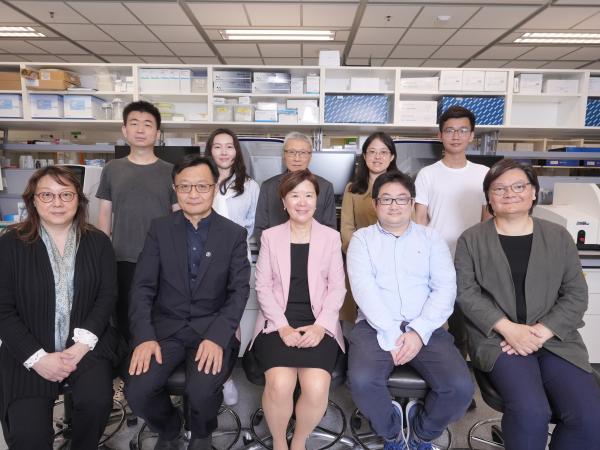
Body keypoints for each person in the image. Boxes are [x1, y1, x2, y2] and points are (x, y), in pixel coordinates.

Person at [455, 159, 600, 450]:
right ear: (489, 198)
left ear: (533, 192)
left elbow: (576, 294)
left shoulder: (558, 236)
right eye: (499, 188)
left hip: (556, 340)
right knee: (532, 412)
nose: (509, 193)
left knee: (589, 418)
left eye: (518, 186)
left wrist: (541, 332)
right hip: (499, 340)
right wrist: (508, 329)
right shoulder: (472, 239)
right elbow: (466, 292)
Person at [125, 155, 250, 450]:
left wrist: (219, 337)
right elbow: (142, 287)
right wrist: (144, 336)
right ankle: (169, 430)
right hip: (165, 328)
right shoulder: (160, 229)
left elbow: (239, 292)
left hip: (211, 328)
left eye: (202, 186)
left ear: (214, 186)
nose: (193, 194)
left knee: (202, 390)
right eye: (185, 187)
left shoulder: (233, 234)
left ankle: (203, 433)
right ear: (175, 188)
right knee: (138, 390)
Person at [347, 171, 474, 450]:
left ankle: (421, 433)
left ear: (412, 202)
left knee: (460, 388)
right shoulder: (362, 240)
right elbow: (364, 290)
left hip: (425, 325)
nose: (394, 205)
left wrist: (418, 331)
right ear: (375, 204)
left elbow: (445, 288)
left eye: (402, 199)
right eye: (387, 199)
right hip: (375, 325)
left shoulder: (431, 238)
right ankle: (392, 434)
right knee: (362, 382)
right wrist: (392, 333)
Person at [0, 166, 124, 449]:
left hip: (85, 345)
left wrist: (79, 348)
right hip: (28, 349)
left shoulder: (98, 243)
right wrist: (38, 358)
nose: (57, 202)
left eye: (66, 194)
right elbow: (3, 310)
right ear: (33, 200)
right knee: (29, 438)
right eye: (47, 195)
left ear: (78, 200)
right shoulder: (9, 245)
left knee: (96, 402)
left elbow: (106, 297)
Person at [250, 169, 346, 450]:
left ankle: (299, 442)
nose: (302, 202)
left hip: (319, 322)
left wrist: (321, 327)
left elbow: (337, 288)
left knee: (316, 387)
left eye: (308, 195)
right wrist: (283, 327)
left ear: (317, 200)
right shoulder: (270, 236)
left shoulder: (330, 237)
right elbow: (263, 287)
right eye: (295, 195)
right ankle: (280, 443)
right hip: (277, 322)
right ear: (284, 201)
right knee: (280, 384)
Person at [414, 105, 490, 368]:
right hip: (435, 259)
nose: (456, 136)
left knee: (462, 326)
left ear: (472, 135)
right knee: (428, 321)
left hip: (469, 262)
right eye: (449, 131)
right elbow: (420, 219)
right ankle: (430, 375)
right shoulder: (428, 174)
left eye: (462, 130)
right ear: (440, 136)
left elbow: (487, 221)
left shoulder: (483, 175)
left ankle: (459, 379)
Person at [96, 100, 178, 344]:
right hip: (122, 258)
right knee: (124, 318)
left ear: (158, 133)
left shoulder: (171, 171)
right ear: (124, 130)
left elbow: (177, 215)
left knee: (159, 317)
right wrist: (103, 253)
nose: (141, 130)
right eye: (134, 123)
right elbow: (105, 213)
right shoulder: (111, 169)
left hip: (161, 258)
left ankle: (153, 372)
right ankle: (126, 373)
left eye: (147, 124)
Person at [205, 128, 259, 406]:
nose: (224, 152)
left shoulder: (250, 186)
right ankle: (205, 373)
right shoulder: (200, 180)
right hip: (200, 259)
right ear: (209, 150)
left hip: (236, 260)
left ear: (236, 151)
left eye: (229, 147)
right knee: (203, 316)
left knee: (231, 318)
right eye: (218, 146)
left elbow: (250, 225)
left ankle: (225, 376)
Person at [339, 131, 397, 323]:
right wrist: (358, 255)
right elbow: (347, 228)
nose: (377, 157)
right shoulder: (352, 189)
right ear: (364, 157)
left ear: (392, 157)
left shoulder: (401, 187)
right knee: (358, 314)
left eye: (383, 152)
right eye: (372, 152)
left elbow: (409, 225)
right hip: (360, 259)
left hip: (393, 261)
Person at [254, 131, 336, 244]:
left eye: (302, 153)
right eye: (291, 152)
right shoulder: (268, 187)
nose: (297, 158)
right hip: (275, 254)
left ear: (310, 156)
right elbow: (260, 229)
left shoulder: (325, 187)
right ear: (284, 155)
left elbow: (330, 228)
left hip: (315, 254)